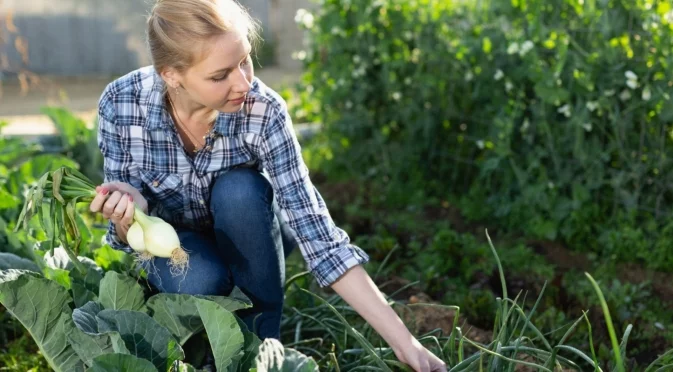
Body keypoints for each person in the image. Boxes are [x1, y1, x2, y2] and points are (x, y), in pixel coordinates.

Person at [88, 0, 446, 371]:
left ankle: (260, 343)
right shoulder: (122, 103)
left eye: (245, 60)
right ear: (172, 75)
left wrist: (407, 345)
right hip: (179, 245)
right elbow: (125, 233)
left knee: (240, 189)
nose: (243, 82)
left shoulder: (263, 110)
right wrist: (130, 212)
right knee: (202, 279)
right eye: (220, 75)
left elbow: (319, 235)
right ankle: (205, 343)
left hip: (252, 229)